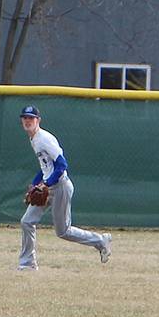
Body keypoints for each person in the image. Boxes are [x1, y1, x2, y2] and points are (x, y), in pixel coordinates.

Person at [17, 105, 111, 271]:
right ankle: (27, 264)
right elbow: (45, 166)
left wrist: (45, 184)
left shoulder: (44, 138)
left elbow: (62, 164)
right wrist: (35, 183)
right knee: (27, 221)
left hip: (60, 186)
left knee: (63, 231)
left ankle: (101, 241)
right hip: (48, 186)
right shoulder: (33, 139)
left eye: (31, 118)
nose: (27, 121)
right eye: (25, 118)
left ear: (38, 120)